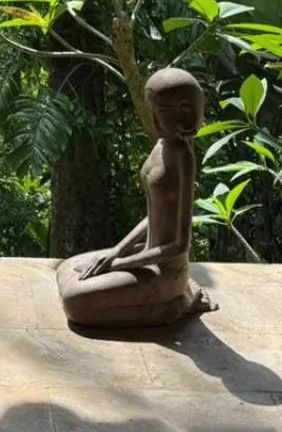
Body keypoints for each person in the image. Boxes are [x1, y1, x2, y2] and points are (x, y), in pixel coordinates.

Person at [56, 66, 216, 329]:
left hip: (166, 270)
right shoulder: (162, 145)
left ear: (184, 112)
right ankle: (164, 297)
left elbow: (179, 245)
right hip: (145, 254)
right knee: (67, 268)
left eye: (160, 114)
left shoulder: (183, 158)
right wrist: (116, 251)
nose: (153, 123)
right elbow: (154, 215)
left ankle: (177, 303)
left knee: (75, 303)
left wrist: (120, 263)